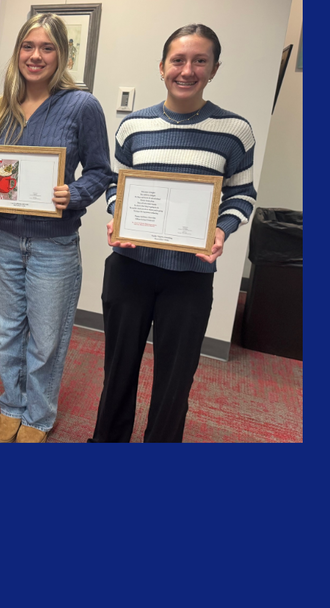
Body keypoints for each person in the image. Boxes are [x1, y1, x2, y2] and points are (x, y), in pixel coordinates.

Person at [89, 23, 256, 443]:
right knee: (118, 368)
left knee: (175, 380)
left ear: (215, 68)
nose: (187, 70)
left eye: (200, 60)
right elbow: (116, 183)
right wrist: (116, 215)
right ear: (161, 66)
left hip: (190, 276)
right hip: (129, 267)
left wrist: (222, 230)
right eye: (178, 60)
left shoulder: (235, 131)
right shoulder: (134, 126)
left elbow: (242, 194)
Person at [0, 13, 112, 442]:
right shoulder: (4, 106)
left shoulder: (82, 105)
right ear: (18, 52)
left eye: (47, 48)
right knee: (4, 331)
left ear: (62, 55)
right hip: (4, 238)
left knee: (47, 337)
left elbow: (101, 172)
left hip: (54, 243)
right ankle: (12, 404)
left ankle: (37, 414)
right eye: (28, 46)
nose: (36, 56)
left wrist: (74, 192)